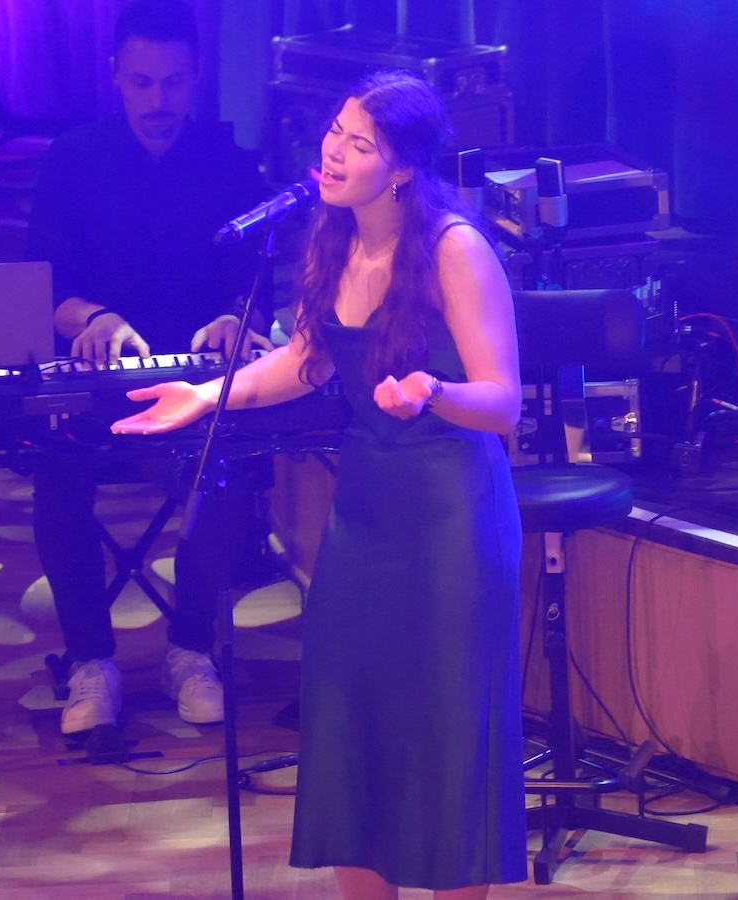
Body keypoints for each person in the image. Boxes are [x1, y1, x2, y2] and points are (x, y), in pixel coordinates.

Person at [113, 71, 527, 897]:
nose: (334, 152)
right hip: (365, 507)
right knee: (350, 715)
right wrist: (206, 394)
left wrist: (434, 392)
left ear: (401, 166)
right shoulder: (332, 239)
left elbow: (504, 401)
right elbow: (305, 363)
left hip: (451, 510)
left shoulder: (454, 248)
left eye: (359, 144)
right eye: (336, 131)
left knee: (445, 724)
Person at [26, 0, 270, 736]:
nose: (158, 100)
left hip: (195, 385)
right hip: (98, 379)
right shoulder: (73, 159)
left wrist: (238, 319)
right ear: (115, 76)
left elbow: (257, 286)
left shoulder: (229, 165)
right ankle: (90, 660)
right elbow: (42, 285)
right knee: (56, 473)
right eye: (141, 83)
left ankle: (190, 649)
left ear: (197, 75)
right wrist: (92, 317)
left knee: (228, 474)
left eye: (172, 83)